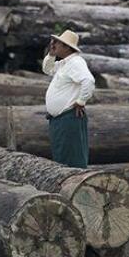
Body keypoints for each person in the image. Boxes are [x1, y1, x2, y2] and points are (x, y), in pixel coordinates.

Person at [42, 29, 95, 168]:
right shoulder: (65, 63)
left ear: (66, 47)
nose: (54, 44)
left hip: (69, 117)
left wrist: (81, 101)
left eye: (57, 43)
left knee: (72, 157)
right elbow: (47, 69)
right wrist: (51, 54)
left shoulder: (75, 62)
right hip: (60, 119)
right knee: (62, 157)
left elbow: (88, 81)